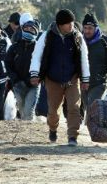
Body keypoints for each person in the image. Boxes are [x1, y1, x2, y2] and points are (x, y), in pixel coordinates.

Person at [29, 9, 90, 147]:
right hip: (52, 80)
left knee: (74, 107)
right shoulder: (47, 36)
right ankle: (53, 128)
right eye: (68, 23)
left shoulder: (77, 37)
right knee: (52, 111)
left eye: (72, 22)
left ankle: (72, 136)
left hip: (72, 79)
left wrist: (85, 79)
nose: (71, 25)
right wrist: (34, 73)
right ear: (60, 25)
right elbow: (36, 56)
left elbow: (84, 58)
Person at [5, 13, 40, 121]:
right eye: (27, 28)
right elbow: (8, 64)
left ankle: (31, 133)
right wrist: (14, 79)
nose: (29, 30)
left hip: (33, 85)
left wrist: (37, 78)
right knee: (22, 111)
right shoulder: (14, 47)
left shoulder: (39, 49)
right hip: (18, 85)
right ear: (22, 29)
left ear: (36, 32)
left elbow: (44, 65)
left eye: (32, 29)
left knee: (28, 112)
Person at [81, 13, 107, 116]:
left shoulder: (105, 41)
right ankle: (92, 129)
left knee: (92, 107)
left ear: (96, 28)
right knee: (88, 108)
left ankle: (94, 131)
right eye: (85, 28)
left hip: (100, 82)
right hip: (83, 82)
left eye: (90, 28)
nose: (87, 31)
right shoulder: (79, 41)